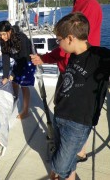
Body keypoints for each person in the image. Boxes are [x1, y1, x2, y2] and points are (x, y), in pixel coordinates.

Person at [35, 12, 110, 180]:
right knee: (67, 158)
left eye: (58, 40)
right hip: (61, 114)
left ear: (70, 38)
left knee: (60, 164)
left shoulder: (100, 57)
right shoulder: (73, 57)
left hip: (78, 123)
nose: (58, 45)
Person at [31, 0, 102, 162]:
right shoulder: (82, 3)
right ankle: (78, 152)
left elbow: (70, 45)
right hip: (71, 70)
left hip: (76, 74)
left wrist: (46, 57)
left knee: (69, 117)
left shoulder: (89, 6)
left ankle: (71, 155)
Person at [0, 21, 36, 119]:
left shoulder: (21, 38)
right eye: (0, 35)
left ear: (10, 31)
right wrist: (5, 76)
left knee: (23, 85)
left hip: (28, 60)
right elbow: (5, 59)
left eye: (4, 34)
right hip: (18, 61)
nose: (2, 37)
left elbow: (24, 58)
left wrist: (13, 73)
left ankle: (26, 111)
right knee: (14, 82)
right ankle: (15, 99)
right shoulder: (3, 41)